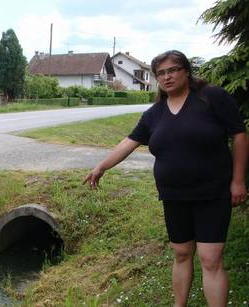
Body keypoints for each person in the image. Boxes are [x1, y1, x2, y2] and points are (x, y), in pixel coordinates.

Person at [83, 50, 247, 307]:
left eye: (173, 70)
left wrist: (238, 181)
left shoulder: (211, 98)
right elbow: (129, 142)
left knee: (210, 258)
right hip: (174, 195)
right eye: (161, 73)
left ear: (186, 71)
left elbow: (239, 135)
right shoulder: (154, 114)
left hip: (212, 193)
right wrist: (101, 167)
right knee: (182, 254)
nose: (167, 76)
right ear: (156, 77)